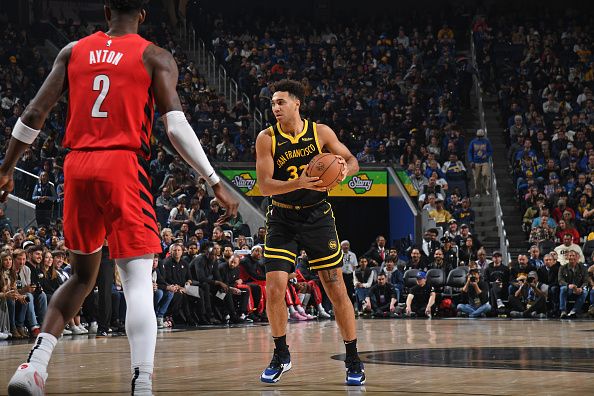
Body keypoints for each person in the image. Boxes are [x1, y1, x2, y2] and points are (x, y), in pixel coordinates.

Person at [3, 2, 238, 394]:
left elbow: (34, 111)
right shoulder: (154, 56)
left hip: (77, 167)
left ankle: (33, 367)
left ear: (107, 10)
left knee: (81, 276)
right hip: (122, 165)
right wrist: (214, 180)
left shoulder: (73, 50)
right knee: (138, 281)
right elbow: (176, 127)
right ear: (143, 14)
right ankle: (142, 382)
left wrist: (8, 167)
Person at [255, 79, 364, 385]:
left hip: (317, 216)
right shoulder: (267, 138)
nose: (275, 108)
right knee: (274, 287)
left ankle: (353, 357)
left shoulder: (321, 133)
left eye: (281, 102)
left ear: (296, 103)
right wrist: (298, 183)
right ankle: (281, 353)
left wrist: (343, 171)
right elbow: (264, 186)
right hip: (282, 217)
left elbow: (352, 160)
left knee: (335, 286)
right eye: (273, 104)